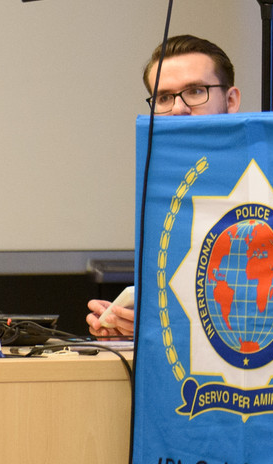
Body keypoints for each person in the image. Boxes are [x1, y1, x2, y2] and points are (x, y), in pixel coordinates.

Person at [85, 35, 241, 338]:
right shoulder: (160, 188)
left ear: (231, 100)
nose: (178, 109)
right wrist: (133, 324)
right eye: (165, 98)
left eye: (195, 91)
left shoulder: (263, 180)